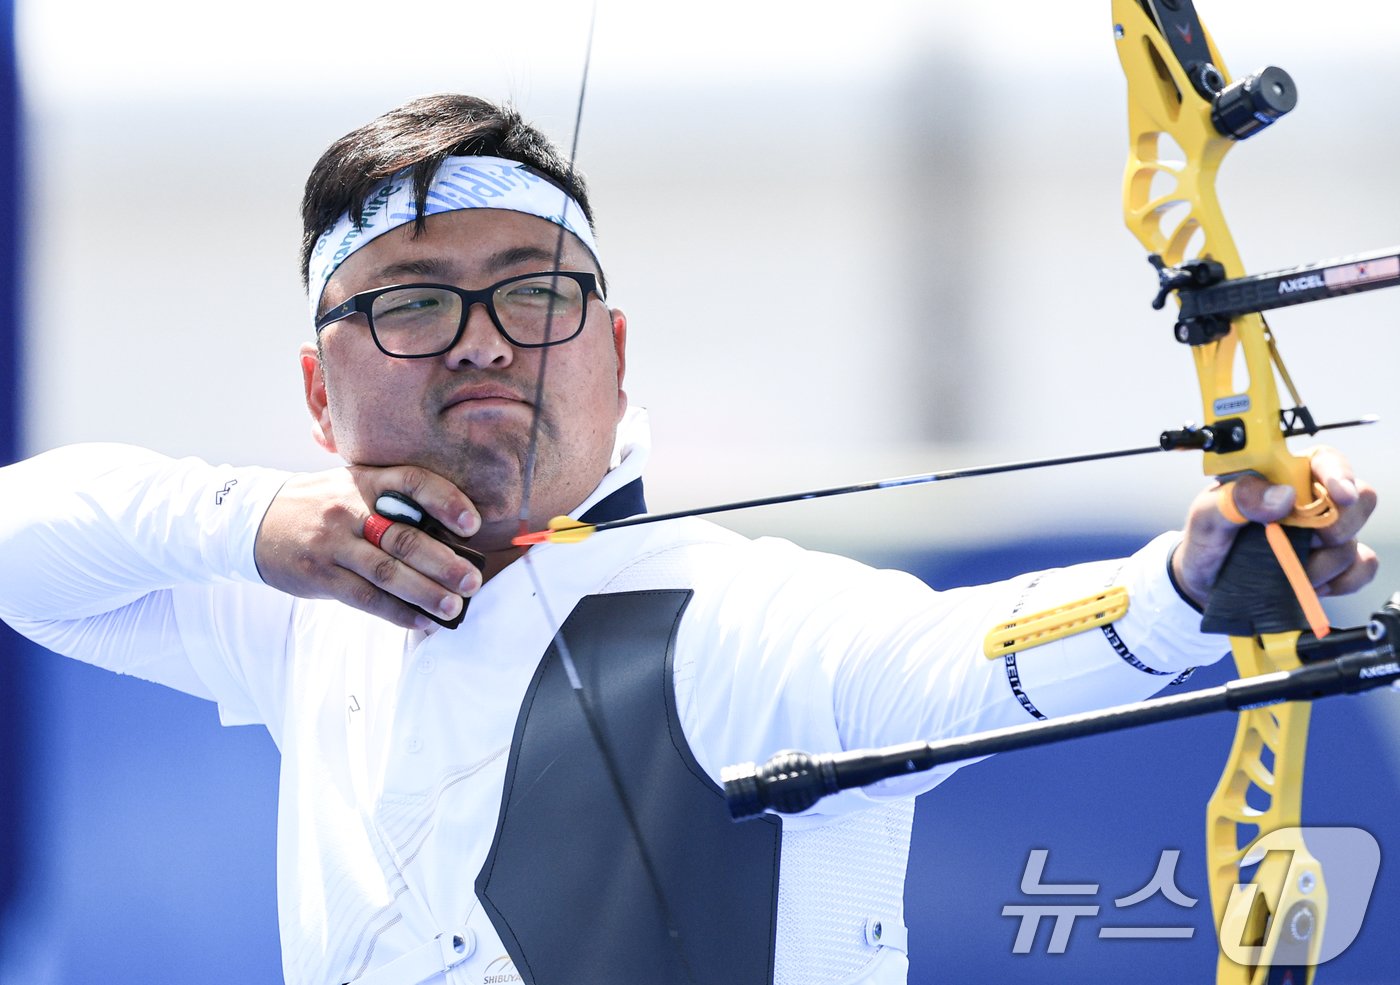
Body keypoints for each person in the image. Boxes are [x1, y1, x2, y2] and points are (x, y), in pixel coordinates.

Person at [0, 94, 1379, 985]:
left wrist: (1182, 592)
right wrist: (247, 525)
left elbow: (964, 658)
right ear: (320, 390)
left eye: (533, 293)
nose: (483, 340)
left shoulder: (730, 619)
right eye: (411, 303)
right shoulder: (310, 614)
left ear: (611, 352)